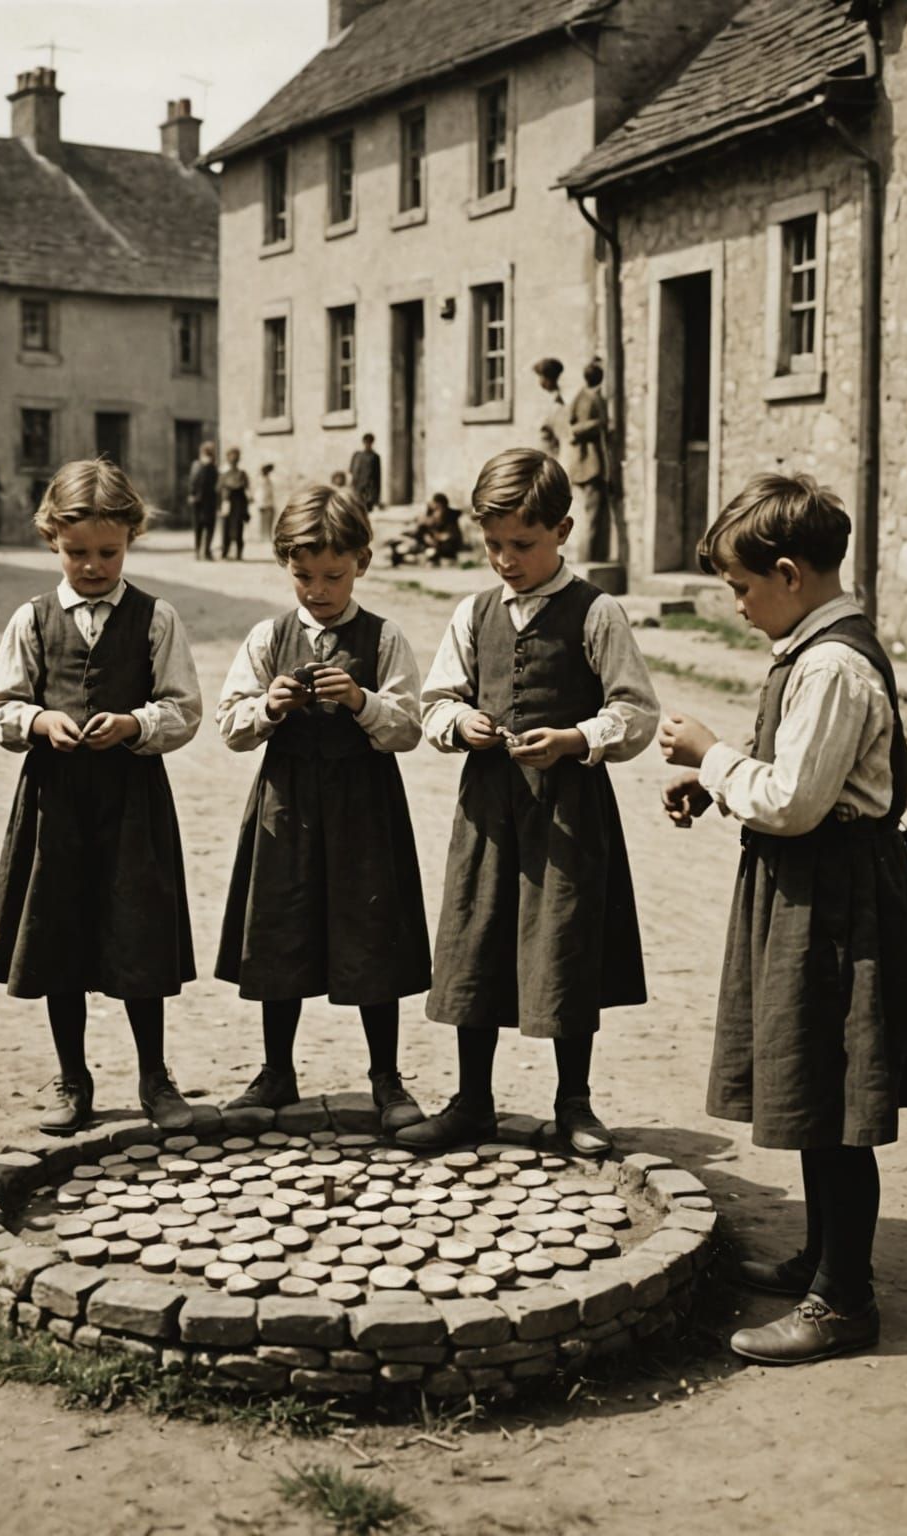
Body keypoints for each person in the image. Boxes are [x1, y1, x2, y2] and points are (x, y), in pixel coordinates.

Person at [658, 474, 907, 1364]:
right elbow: (799, 778)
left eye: (743, 589)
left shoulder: (830, 664)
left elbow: (791, 800)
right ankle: (825, 1258)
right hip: (813, 884)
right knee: (811, 1088)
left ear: (788, 573)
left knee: (832, 1101)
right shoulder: (815, 647)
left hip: (837, 902)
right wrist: (719, 786)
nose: (740, 607)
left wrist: (713, 760)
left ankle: (843, 1302)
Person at [398, 448, 658, 1155]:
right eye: (493, 545)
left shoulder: (597, 613)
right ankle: (471, 1101)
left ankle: (574, 1103)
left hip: (569, 813)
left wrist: (577, 738)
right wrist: (461, 723)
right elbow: (437, 701)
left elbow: (636, 713)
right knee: (476, 941)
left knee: (566, 946)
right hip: (488, 809)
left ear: (563, 531)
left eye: (523, 544)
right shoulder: (473, 611)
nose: (506, 560)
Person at [0, 458, 202, 1135]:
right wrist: (39, 722)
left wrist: (137, 723)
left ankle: (154, 1074)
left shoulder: (155, 616)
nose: (93, 566)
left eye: (108, 552)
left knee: (139, 935)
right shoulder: (32, 618)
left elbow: (186, 707)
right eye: (78, 552)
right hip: (57, 805)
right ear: (51, 538)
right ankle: (71, 1077)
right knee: (61, 940)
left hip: (132, 804)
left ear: (130, 540)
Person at [215, 483, 430, 1133]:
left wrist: (363, 702)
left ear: (361, 563)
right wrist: (269, 706)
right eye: (303, 576)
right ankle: (276, 1070)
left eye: (333, 575)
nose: (317, 590)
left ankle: (386, 1076)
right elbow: (230, 724)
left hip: (364, 806)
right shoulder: (268, 636)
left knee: (372, 934)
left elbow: (409, 726)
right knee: (280, 927)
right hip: (287, 804)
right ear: (285, 567)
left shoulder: (383, 636)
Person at [567, 362, 611, 564]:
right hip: (590, 463)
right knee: (592, 515)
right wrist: (598, 424)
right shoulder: (586, 397)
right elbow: (573, 428)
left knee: (597, 515)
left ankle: (597, 556)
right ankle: (589, 560)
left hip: (595, 463)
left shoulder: (586, 396)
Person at [388, 493, 464, 567]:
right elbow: (421, 532)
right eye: (434, 510)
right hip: (426, 544)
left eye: (438, 509)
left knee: (432, 552)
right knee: (404, 546)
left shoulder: (450, 519)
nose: (435, 514)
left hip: (442, 547)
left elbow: (451, 536)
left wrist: (437, 537)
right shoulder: (428, 520)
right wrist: (425, 535)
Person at [218, 447, 250, 561]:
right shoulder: (224, 474)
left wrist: (246, 508)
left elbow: (246, 490)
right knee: (226, 529)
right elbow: (219, 489)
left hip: (238, 505)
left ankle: (238, 553)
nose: (233, 461)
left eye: (235, 458)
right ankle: (225, 552)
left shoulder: (242, 474)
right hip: (227, 504)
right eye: (231, 458)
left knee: (238, 529)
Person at [188, 442, 218, 561]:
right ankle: (200, 551)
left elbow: (216, 484)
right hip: (202, 501)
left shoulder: (211, 467)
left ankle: (204, 551)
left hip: (206, 501)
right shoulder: (200, 466)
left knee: (205, 527)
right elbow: (192, 481)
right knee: (201, 527)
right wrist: (191, 494)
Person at [349, 433, 381, 509]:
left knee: (368, 508)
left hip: (369, 488)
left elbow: (378, 475)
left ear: (372, 443)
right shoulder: (357, 455)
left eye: (370, 442)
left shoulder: (375, 457)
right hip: (358, 487)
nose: (368, 444)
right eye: (366, 442)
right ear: (363, 442)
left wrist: (376, 495)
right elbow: (351, 470)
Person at [256, 463, 277, 544]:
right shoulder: (263, 480)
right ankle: (265, 536)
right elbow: (261, 492)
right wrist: (261, 503)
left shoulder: (265, 479)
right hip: (265, 503)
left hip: (266, 502)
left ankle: (266, 536)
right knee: (266, 520)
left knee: (267, 520)